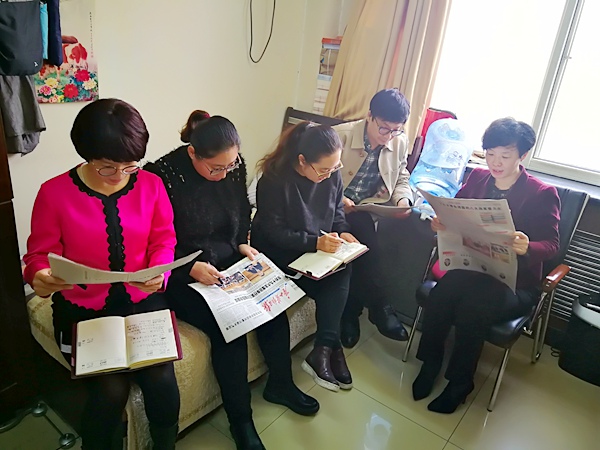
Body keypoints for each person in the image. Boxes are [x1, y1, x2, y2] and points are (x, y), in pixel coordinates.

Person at [144, 111, 318, 450]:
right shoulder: (161, 176)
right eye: (216, 168)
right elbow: (156, 238)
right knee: (231, 329)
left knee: (272, 306)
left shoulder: (233, 167)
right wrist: (189, 266)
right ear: (193, 153)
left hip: (227, 260)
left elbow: (240, 211)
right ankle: (241, 420)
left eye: (230, 165)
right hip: (184, 270)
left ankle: (280, 384)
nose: (224, 173)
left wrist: (241, 243)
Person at [23, 99, 181, 450]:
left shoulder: (152, 184)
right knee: (110, 390)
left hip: (142, 302)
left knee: (162, 381)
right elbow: (38, 256)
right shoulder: (54, 193)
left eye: (130, 167)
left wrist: (159, 274)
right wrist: (41, 275)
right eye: (108, 167)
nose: (120, 175)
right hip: (82, 310)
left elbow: (164, 239)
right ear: (86, 154)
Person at [412, 117, 561, 414]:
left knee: (473, 307)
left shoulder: (541, 193)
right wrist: (441, 223)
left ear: (522, 155)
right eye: (490, 154)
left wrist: (527, 246)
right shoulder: (478, 178)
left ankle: (460, 382)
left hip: (513, 283)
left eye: (505, 156)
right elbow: (454, 213)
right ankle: (430, 363)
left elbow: (552, 244)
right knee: (441, 295)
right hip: (472, 268)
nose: (496, 162)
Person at [251, 122, 360, 393]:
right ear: (302, 160)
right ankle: (332, 349)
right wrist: (315, 242)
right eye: (323, 170)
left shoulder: (331, 174)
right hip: (280, 254)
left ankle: (323, 348)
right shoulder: (273, 181)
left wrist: (343, 232)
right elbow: (274, 232)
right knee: (332, 280)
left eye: (335, 167)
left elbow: (336, 210)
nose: (330, 174)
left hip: (313, 251)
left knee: (343, 270)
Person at [334, 88, 413, 348]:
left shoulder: (399, 142)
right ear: (369, 115)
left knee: (365, 231)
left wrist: (403, 200)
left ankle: (352, 314)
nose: (389, 136)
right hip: (332, 209)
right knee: (364, 235)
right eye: (384, 128)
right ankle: (379, 307)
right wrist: (338, 200)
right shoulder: (339, 136)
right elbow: (315, 179)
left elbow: (402, 176)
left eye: (396, 130)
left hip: (364, 209)